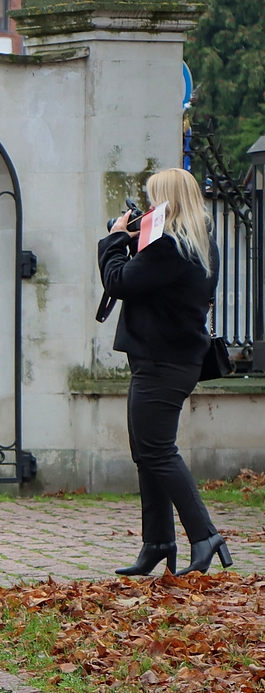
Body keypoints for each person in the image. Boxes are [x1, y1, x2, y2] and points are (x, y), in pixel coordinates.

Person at [100, 167, 228, 576]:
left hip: (162, 364)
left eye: (156, 199)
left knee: (157, 451)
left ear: (170, 200)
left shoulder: (170, 247)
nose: (151, 207)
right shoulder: (197, 244)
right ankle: (157, 543)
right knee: (147, 453)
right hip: (171, 362)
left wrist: (115, 239)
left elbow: (118, 281)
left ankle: (205, 536)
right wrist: (135, 240)